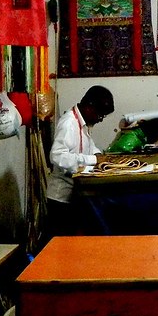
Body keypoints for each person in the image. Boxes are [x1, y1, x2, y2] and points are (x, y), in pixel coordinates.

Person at [46, 85, 114, 238]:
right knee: (61, 245)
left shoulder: (82, 122)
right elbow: (56, 156)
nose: (100, 119)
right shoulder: (69, 123)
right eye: (100, 115)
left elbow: (89, 146)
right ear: (90, 107)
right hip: (60, 197)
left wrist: (99, 156)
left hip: (73, 193)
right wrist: (93, 160)